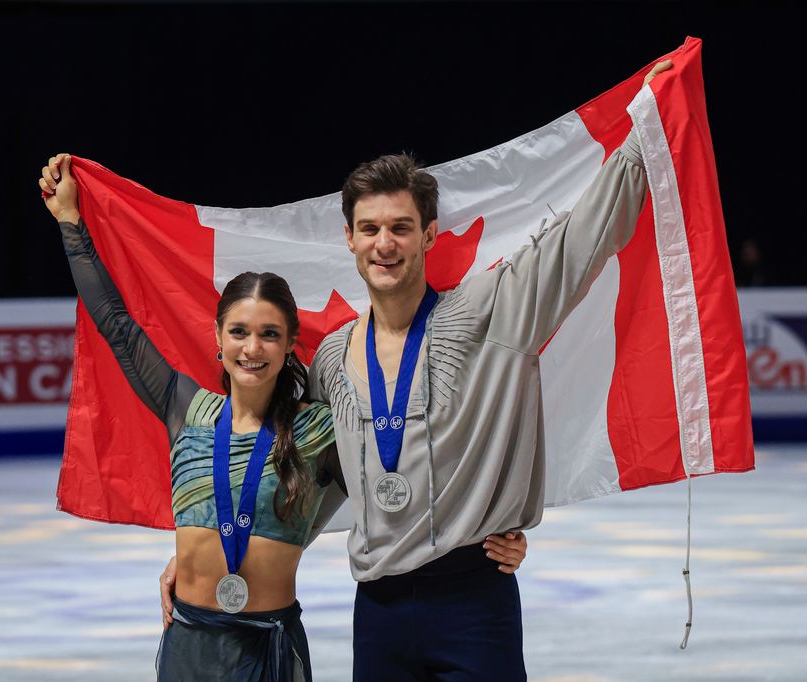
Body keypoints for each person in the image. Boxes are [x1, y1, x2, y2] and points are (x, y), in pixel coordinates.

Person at [161, 59, 673, 680]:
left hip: (474, 600)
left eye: (401, 228)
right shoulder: (330, 360)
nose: (386, 243)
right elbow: (291, 466)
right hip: (377, 611)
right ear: (348, 239)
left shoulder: (492, 311)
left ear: (429, 235)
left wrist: (647, 125)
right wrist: (206, 556)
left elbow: (581, 239)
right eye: (370, 229)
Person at [39, 154, 526, 680]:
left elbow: (412, 470)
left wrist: (491, 533)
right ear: (218, 339)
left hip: (273, 646)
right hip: (189, 643)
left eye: (270, 334)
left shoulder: (318, 428)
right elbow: (116, 326)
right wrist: (71, 224)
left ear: (291, 344)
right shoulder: (186, 408)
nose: (253, 348)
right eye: (240, 332)